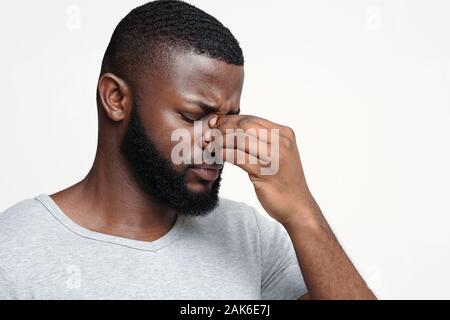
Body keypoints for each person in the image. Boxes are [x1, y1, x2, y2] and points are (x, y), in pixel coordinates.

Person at [0, 0, 376, 299]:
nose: (218, 140)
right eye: (195, 115)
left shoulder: (249, 236)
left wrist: (302, 214)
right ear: (116, 98)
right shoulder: (15, 251)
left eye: (230, 118)